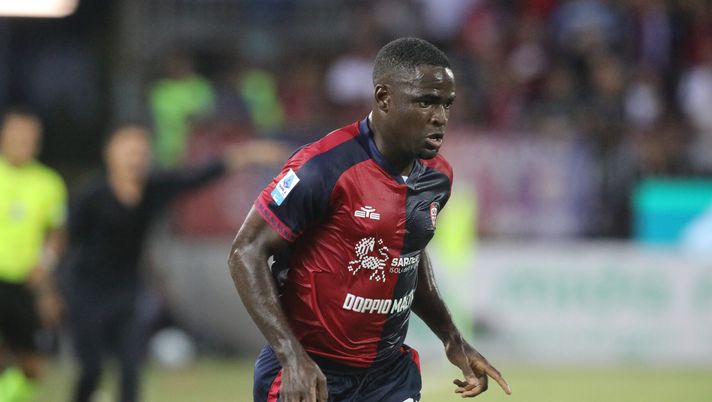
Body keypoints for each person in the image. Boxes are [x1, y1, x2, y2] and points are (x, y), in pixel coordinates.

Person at [229, 37, 512, 402]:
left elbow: (406, 255)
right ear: (383, 98)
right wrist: (291, 355)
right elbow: (245, 251)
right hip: (311, 373)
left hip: (388, 378)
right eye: (425, 101)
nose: (440, 117)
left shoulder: (438, 177)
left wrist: (451, 337)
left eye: (446, 104)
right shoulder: (322, 167)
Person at [59, 123, 286, 402]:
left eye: (141, 151)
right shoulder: (90, 197)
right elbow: (66, 242)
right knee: (91, 368)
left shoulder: (154, 189)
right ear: (110, 154)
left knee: (131, 367)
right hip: (87, 292)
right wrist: (57, 291)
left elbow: (198, 177)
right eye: (128, 150)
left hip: (127, 291)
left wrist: (249, 154)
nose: (136, 157)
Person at [0, 108, 66, 402]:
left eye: (29, 137)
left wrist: (45, 266)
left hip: (25, 282)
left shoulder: (48, 183)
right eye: (16, 135)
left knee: (32, 364)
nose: (22, 142)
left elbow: (57, 233)